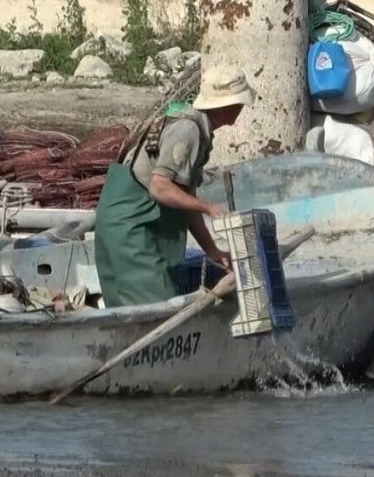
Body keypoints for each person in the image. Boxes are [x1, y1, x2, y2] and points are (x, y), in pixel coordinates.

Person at [93, 72, 255, 308]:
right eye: (239, 103)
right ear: (226, 105)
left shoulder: (195, 127)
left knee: (134, 307)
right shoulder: (188, 130)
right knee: (155, 308)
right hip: (131, 230)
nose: (241, 108)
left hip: (126, 224)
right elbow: (161, 188)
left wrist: (212, 250)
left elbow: (184, 199)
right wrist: (209, 207)